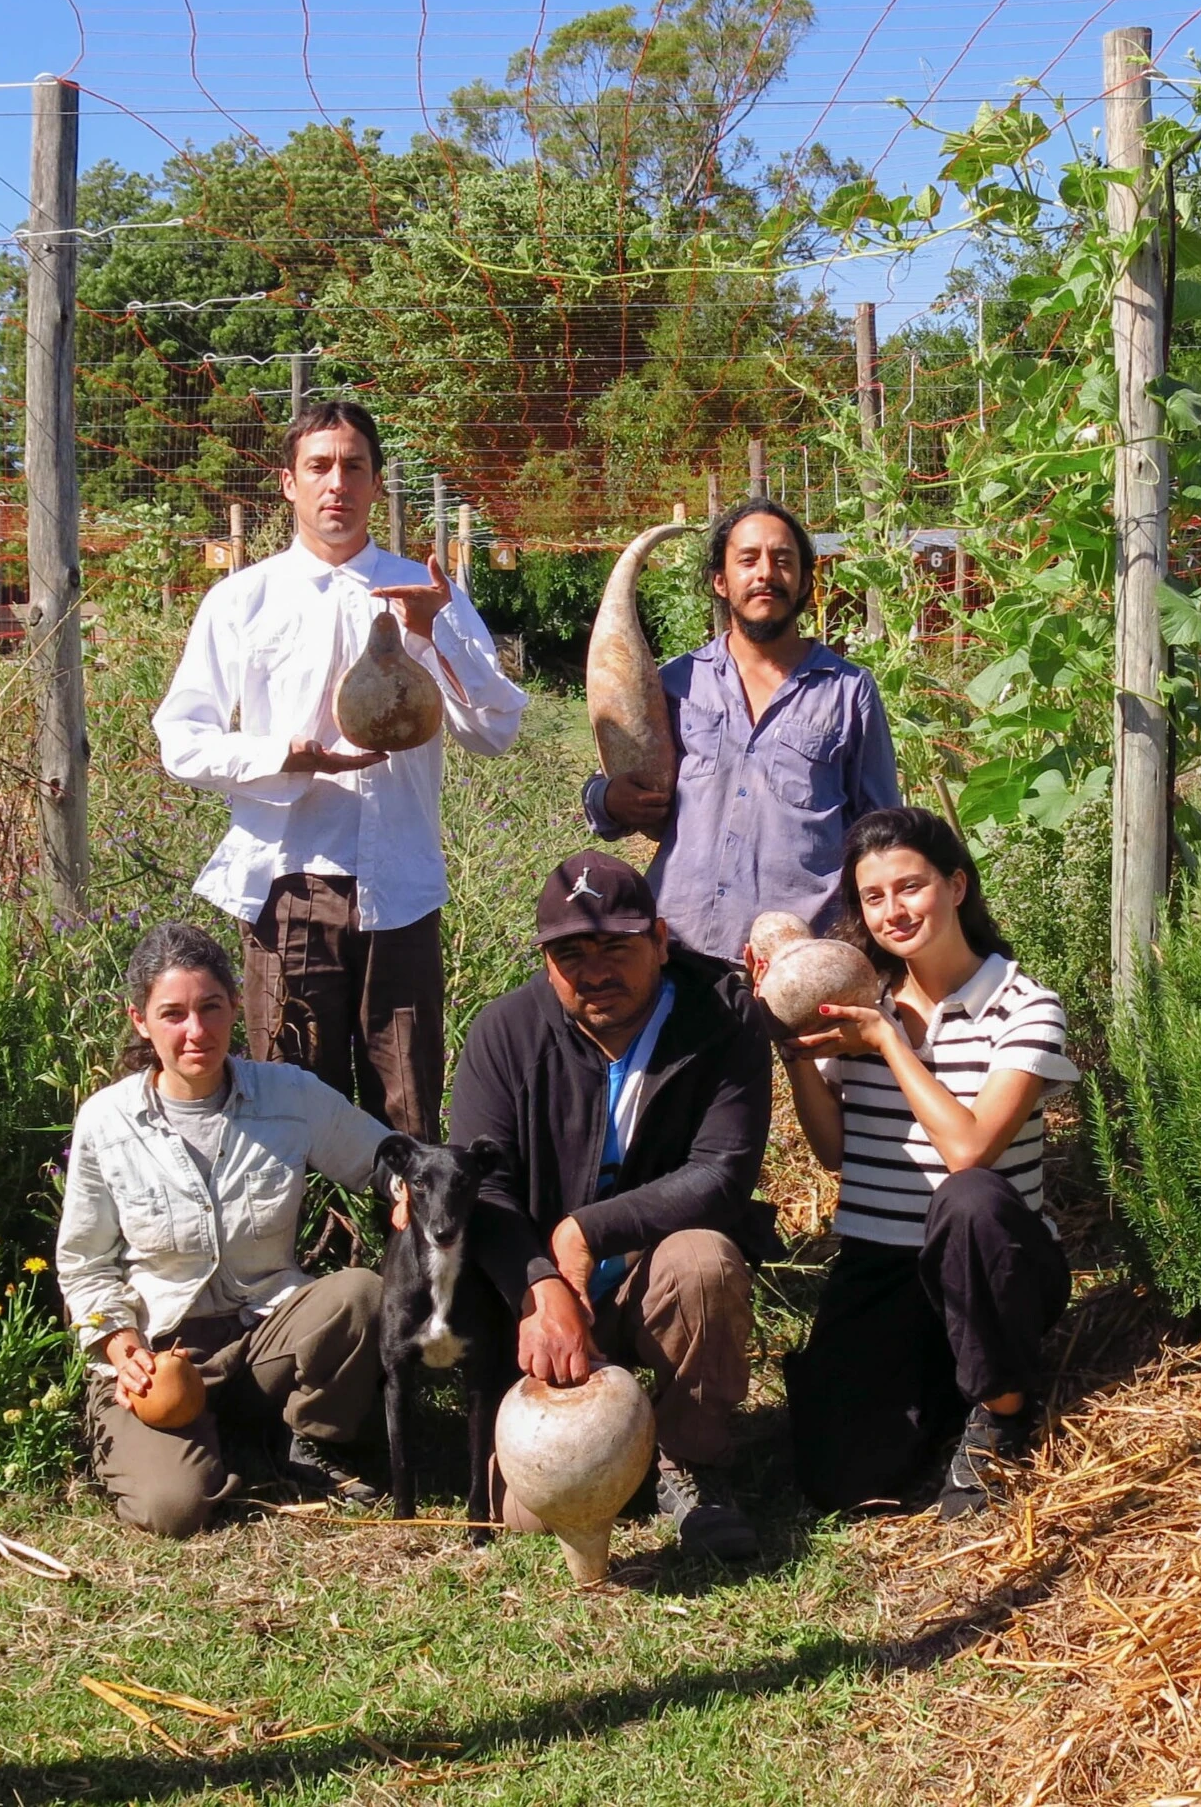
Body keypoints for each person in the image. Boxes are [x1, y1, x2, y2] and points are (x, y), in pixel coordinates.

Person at [155, 400, 527, 1138]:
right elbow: (181, 739)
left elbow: (495, 731)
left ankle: (413, 1252)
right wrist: (282, 757)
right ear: (288, 484)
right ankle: (307, 1255)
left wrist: (432, 637)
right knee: (292, 1107)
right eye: (318, 467)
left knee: (410, 1106)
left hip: (402, 885)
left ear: (377, 483)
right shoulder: (242, 600)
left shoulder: (427, 591)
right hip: (292, 881)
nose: (337, 484)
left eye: (353, 467)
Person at [450, 849, 773, 1563]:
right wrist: (539, 1283)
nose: (595, 971)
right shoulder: (503, 1034)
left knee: (705, 1261)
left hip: (651, 1281)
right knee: (533, 1517)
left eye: (615, 947)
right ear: (545, 963)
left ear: (660, 940)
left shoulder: (722, 1020)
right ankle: (596, 1435)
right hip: (546, 1307)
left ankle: (690, 1461)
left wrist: (585, 1231)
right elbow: (486, 1188)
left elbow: (722, 1172)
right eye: (571, 954)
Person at [769, 807, 1080, 1520]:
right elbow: (835, 1152)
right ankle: (947, 1382)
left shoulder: (1024, 1007)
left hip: (993, 1261)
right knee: (841, 1483)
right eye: (873, 898)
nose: (892, 911)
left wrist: (890, 1046)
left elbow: (970, 1149)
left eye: (910, 887)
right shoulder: (861, 1003)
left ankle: (1002, 1410)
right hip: (883, 1263)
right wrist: (798, 1057)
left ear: (958, 886)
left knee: (969, 1196)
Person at [57, 922, 395, 1538]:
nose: (196, 1031)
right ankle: (224, 1451)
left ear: (235, 1006)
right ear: (140, 1020)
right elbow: (83, 1265)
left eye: (211, 1008)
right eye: (173, 1014)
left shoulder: (288, 1096)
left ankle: (310, 1442)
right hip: (165, 1359)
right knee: (172, 1510)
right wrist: (121, 1349)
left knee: (359, 1294)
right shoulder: (107, 1121)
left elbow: (384, 1159)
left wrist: (411, 1195)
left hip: (267, 1339)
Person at [583, 498, 899, 967]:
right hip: (678, 949)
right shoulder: (674, 683)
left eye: (783, 560)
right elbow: (619, 778)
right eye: (748, 560)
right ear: (720, 581)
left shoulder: (849, 691)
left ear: (806, 581)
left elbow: (878, 831)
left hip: (801, 960)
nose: (766, 573)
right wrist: (606, 800)